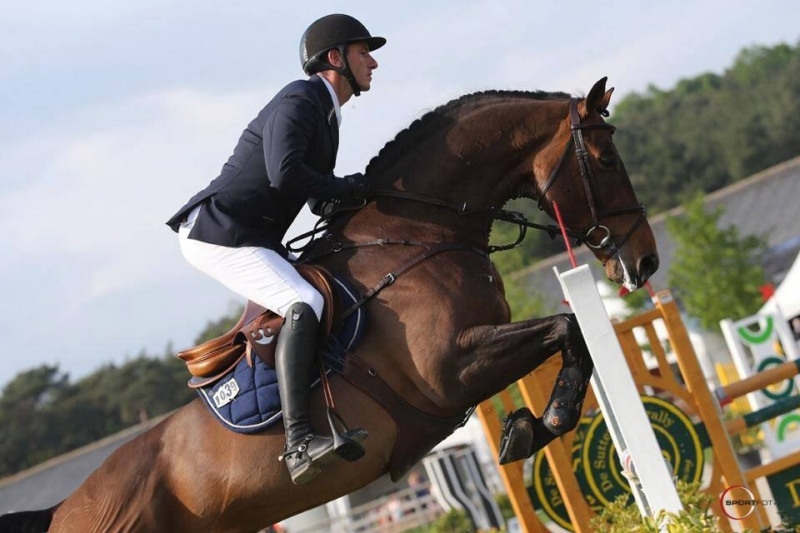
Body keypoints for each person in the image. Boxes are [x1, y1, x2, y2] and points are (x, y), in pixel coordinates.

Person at [165, 14, 385, 485]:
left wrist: (373, 193)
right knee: (303, 301)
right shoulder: (301, 98)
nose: (373, 62)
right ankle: (298, 444)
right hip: (218, 232)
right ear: (335, 58)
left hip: (251, 234)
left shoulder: (327, 115)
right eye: (364, 52)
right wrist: (348, 187)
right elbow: (284, 173)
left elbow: (318, 198)